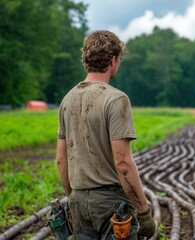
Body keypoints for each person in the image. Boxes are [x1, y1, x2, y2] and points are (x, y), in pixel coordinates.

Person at [56, 30, 156, 240]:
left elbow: (61, 161)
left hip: (78, 201)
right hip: (111, 206)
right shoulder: (116, 99)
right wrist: (143, 211)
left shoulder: (67, 100)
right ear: (113, 60)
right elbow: (122, 163)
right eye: (119, 60)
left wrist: (73, 199)